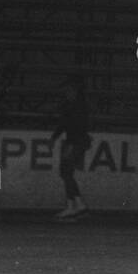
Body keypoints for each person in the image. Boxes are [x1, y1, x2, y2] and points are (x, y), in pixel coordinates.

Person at [48, 80, 90, 223]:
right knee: (66, 172)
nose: (66, 94)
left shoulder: (78, 107)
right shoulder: (72, 106)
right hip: (74, 141)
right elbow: (64, 124)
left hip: (75, 142)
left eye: (68, 91)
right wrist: (55, 137)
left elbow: (76, 127)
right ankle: (74, 205)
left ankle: (77, 205)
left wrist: (71, 144)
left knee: (66, 172)